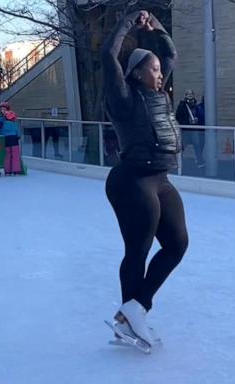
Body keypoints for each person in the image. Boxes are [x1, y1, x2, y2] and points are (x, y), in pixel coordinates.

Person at [102, 10, 188, 349]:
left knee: (177, 244)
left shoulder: (158, 92)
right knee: (137, 250)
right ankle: (131, 321)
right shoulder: (123, 97)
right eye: (152, 69)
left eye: (158, 70)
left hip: (161, 179)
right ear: (136, 73)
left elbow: (170, 55)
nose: (160, 73)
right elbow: (109, 53)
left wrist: (156, 27)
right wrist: (126, 22)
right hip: (132, 181)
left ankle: (133, 310)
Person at [176, 90, 205, 167]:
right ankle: (178, 162)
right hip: (186, 130)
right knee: (182, 146)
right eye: (188, 95)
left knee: (197, 145)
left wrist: (196, 120)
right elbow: (178, 117)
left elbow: (198, 115)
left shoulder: (195, 106)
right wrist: (187, 121)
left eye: (191, 95)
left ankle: (199, 161)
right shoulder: (182, 105)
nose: (190, 98)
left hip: (194, 129)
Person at [0, 101, 22, 175]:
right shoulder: (12, 118)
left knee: (8, 154)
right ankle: (15, 170)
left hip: (7, 137)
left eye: (4, 108)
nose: (3, 110)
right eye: (2, 109)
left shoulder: (1, 118)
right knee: (14, 154)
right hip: (12, 137)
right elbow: (17, 127)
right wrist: (19, 135)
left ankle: (8, 170)